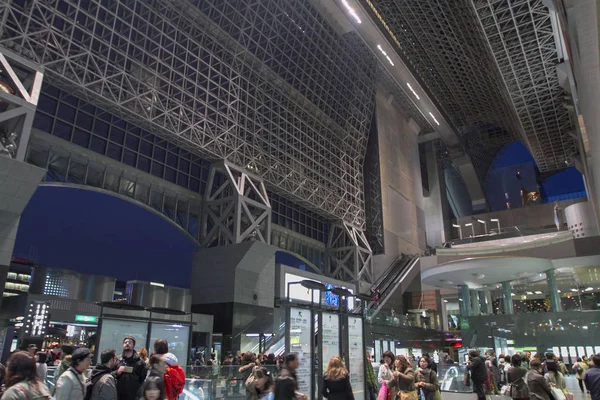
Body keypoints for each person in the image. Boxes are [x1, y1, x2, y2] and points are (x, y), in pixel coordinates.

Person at [114, 336, 147, 400]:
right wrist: (117, 372)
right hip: (118, 395)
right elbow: (111, 374)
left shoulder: (140, 362)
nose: (127, 344)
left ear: (133, 345)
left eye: (130, 342)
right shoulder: (117, 360)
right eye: (125, 342)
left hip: (133, 396)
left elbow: (142, 379)